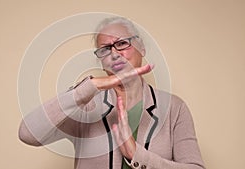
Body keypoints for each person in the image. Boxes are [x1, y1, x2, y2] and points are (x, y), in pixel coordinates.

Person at [18, 16, 205, 169]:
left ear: (141, 47)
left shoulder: (174, 108)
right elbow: (28, 133)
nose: (114, 54)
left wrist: (137, 155)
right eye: (105, 49)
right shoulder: (86, 105)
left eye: (122, 43)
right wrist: (91, 86)